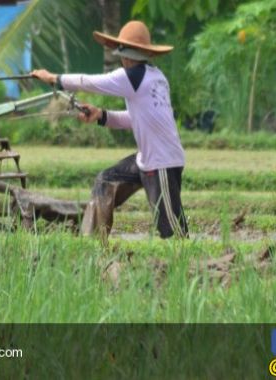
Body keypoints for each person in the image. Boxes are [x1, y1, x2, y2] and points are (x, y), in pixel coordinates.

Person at [31, 20, 188, 240]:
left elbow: (89, 82)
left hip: (162, 162)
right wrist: (102, 115)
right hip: (147, 158)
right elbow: (136, 119)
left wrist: (54, 79)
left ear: (125, 55)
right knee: (105, 181)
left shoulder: (132, 77)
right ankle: (94, 242)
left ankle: (188, 263)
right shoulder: (156, 77)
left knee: (173, 233)